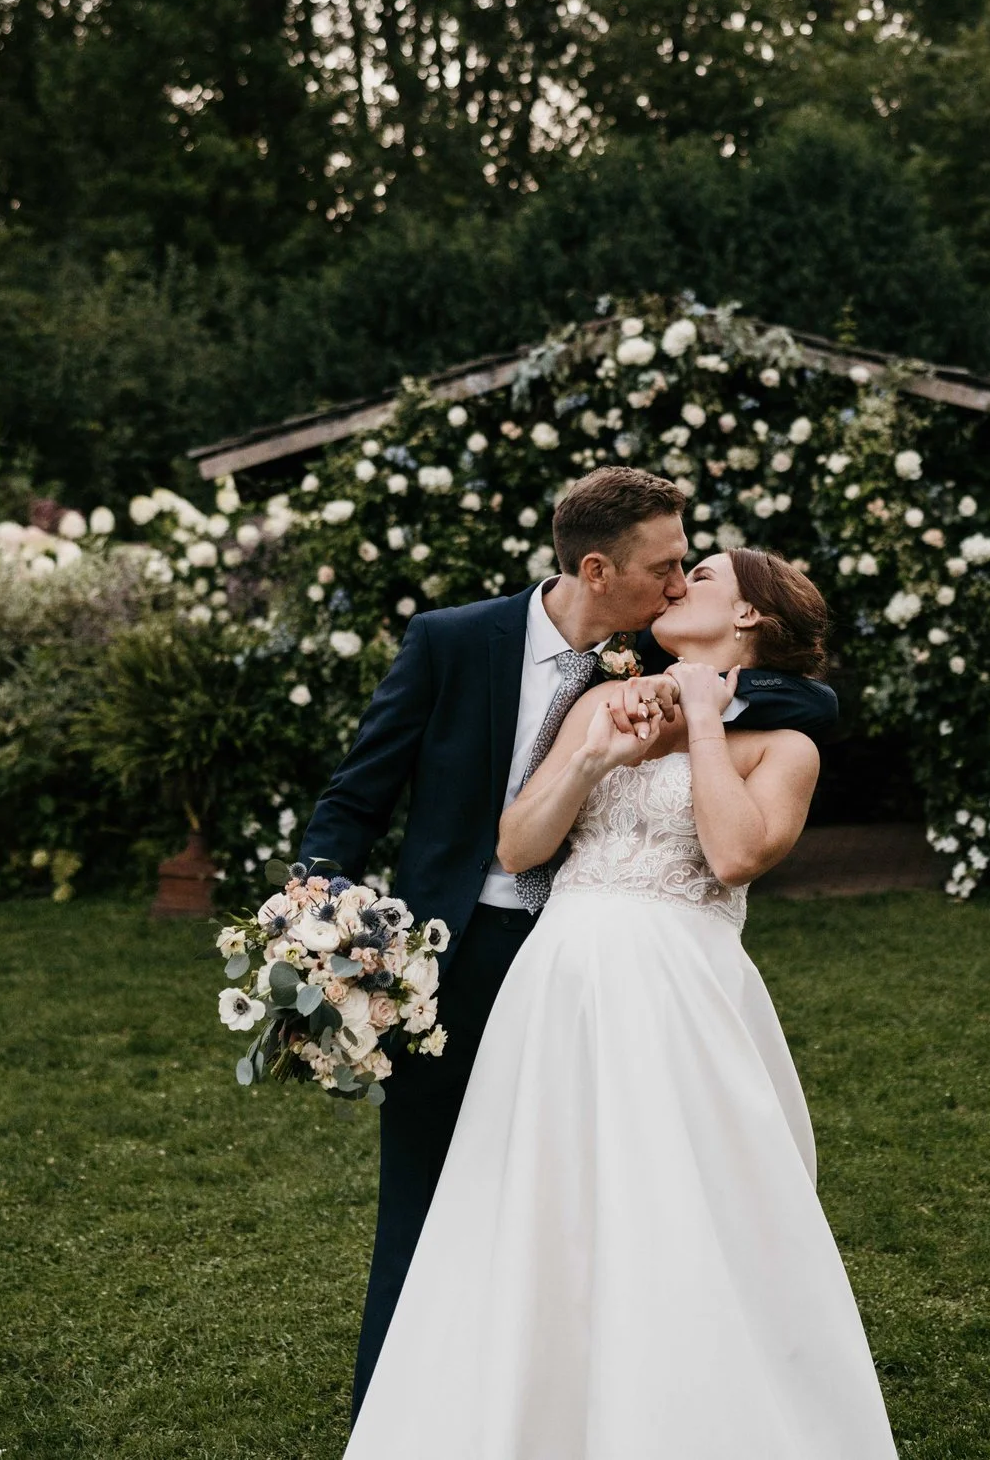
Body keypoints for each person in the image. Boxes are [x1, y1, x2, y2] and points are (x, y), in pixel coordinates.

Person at [294, 467, 839, 1412]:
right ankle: (403, 1407)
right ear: (597, 566)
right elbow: (359, 792)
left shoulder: (654, 673)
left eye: (690, 571)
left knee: (614, 1191)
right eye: (667, 568)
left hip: (594, 961)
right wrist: (320, 912)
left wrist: (707, 705)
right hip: (451, 953)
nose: (676, 587)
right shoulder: (455, 642)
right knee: (433, 1194)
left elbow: (797, 710)